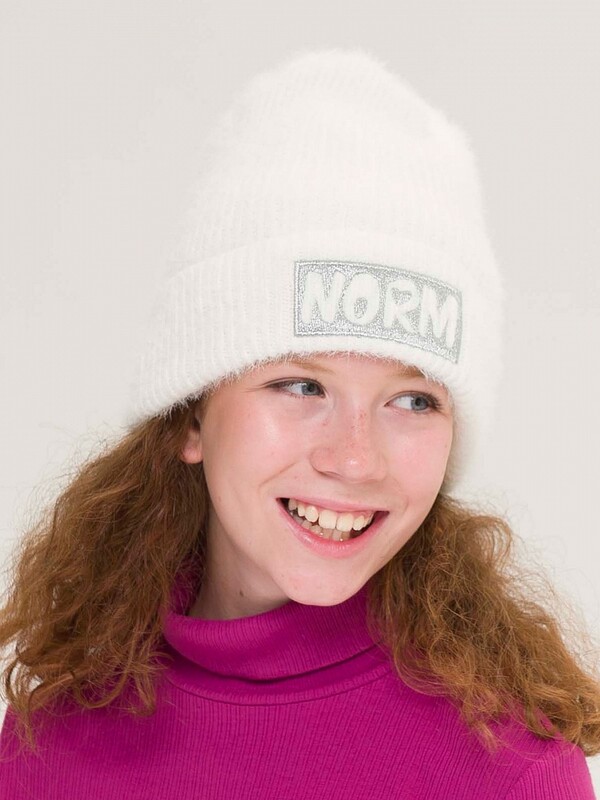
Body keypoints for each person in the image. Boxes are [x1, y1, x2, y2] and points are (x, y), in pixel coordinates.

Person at [0, 48, 598, 799]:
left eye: (414, 400)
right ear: (190, 417)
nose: (354, 459)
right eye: (300, 385)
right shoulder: (49, 747)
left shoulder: (513, 771)